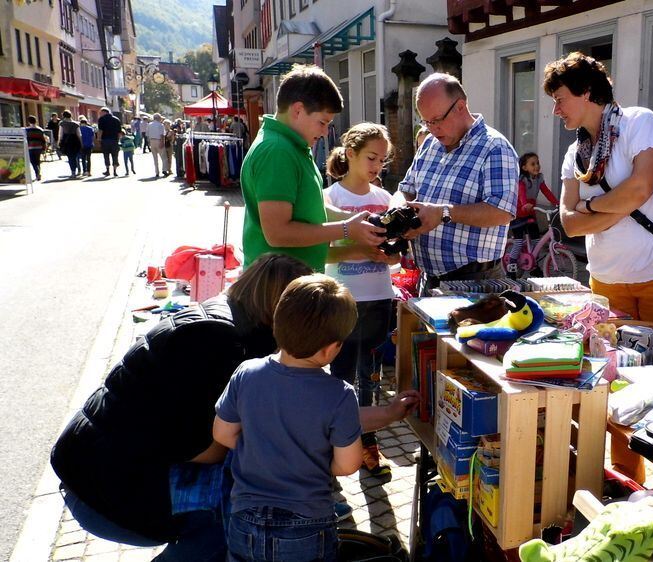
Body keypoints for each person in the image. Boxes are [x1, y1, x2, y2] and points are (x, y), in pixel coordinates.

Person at [50, 254, 419, 561]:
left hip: (101, 468)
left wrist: (385, 414)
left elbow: (297, 416)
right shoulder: (218, 343)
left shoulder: (234, 339)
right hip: (106, 490)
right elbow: (216, 448)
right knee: (234, 498)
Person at [214, 274, 362, 562]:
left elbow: (222, 434)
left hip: (245, 518)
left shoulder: (246, 373)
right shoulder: (340, 394)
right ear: (331, 348)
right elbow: (347, 464)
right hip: (307, 523)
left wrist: (260, 450)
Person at [543, 52, 653, 322]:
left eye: (559, 100)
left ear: (587, 93)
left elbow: (640, 189)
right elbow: (569, 224)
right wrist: (622, 206)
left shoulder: (638, 122)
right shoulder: (575, 155)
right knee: (612, 361)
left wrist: (588, 206)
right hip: (605, 281)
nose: (555, 110)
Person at [241, 63, 385, 272]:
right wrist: (346, 229)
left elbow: (307, 206)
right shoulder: (277, 150)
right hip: (277, 286)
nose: (326, 132)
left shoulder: (291, 145)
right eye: (322, 122)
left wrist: (352, 219)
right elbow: (277, 233)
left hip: (290, 281)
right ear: (298, 110)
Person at [398, 73, 518, 295]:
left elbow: (502, 212)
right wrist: (401, 215)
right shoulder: (430, 145)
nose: (432, 129)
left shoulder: (495, 147)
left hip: (476, 283)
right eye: (426, 122)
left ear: (460, 107)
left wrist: (444, 212)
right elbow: (406, 189)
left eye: (437, 120)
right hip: (428, 278)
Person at [325, 123, 398, 477]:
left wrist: (391, 256)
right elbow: (324, 253)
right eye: (371, 157)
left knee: (371, 376)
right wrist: (364, 251)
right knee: (339, 376)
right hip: (342, 301)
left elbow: (398, 253)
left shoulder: (386, 200)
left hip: (379, 298)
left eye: (382, 161)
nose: (376, 166)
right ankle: (339, 443)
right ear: (350, 153)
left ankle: (369, 445)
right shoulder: (330, 198)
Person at [509, 152, 559, 266]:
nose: (537, 166)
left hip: (530, 212)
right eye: (533, 164)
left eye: (537, 163)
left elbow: (546, 191)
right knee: (518, 242)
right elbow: (521, 192)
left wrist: (557, 202)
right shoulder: (522, 180)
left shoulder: (539, 178)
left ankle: (533, 264)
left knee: (536, 240)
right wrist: (524, 203)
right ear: (524, 167)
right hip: (519, 212)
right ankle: (511, 265)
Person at [97, 107, 122, 176]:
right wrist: (118, 140)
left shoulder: (101, 119)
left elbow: (100, 130)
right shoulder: (117, 119)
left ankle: (107, 170)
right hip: (114, 140)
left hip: (105, 140)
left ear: (105, 112)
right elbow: (119, 132)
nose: (100, 114)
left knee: (106, 155)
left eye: (100, 113)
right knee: (115, 155)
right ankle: (114, 171)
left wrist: (99, 139)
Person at [57, 110, 83, 177]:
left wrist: (59, 142)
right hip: (75, 141)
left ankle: (73, 172)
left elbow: (60, 134)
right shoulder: (76, 124)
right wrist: (81, 143)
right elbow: (79, 134)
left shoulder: (62, 123)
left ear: (64, 116)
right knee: (75, 156)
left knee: (70, 157)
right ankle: (77, 169)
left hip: (67, 142)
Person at [24, 115, 48, 181]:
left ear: (29, 121)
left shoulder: (26, 130)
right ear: (36, 121)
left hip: (30, 147)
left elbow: (25, 139)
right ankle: (38, 173)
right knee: (37, 161)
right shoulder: (40, 129)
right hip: (38, 147)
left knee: (32, 161)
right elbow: (43, 139)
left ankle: (37, 173)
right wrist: (44, 148)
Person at [146, 113, 168, 178]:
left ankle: (157, 172)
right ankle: (164, 170)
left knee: (155, 158)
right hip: (159, 140)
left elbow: (147, 135)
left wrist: (149, 143)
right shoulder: (160, 125)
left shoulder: (149, 125)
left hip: (152, 141)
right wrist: (162, 143)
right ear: (159, 118)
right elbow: (162, 135)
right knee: (163, 157)